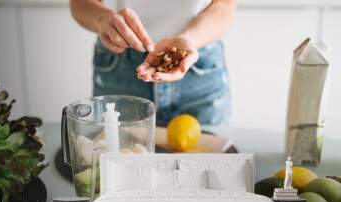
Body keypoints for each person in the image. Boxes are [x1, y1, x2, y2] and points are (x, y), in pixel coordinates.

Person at [70, 0, 236, 126]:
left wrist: (188, 39)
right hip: (118, 63)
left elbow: (224, 5)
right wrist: (101, 19)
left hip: (199, 64)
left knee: (208, 162)